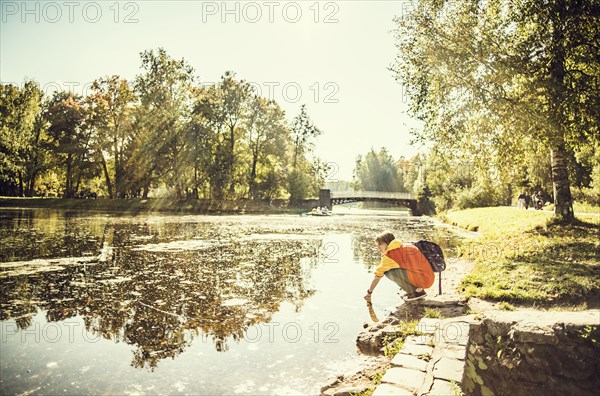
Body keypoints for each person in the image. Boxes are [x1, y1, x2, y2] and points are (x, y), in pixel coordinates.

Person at [364, 231, 435, 302]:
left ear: (387, 243)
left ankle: (417, 292)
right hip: (429, 277)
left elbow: (378, 275)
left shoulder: (391, 255)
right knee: (395, 269)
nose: (378, 248)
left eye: (380, 244)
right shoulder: (406, 246)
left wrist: (369, 292)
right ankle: (416, 290)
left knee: (388, 272)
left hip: (424, 280)